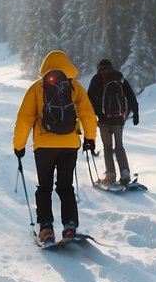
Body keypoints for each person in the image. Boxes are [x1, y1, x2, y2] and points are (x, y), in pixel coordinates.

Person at [13, 50, 98, 244]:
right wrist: (90, 139)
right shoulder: (74, 86)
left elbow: (24, 119)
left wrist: (19, 146)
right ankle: (70, 227)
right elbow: (87, 114)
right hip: (69, 145)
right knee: (66, 187)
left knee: (44, 188)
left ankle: (46, 229)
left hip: (44, 146)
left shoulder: (37, 88)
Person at [86, 58, 139, 185]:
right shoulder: (119, 78)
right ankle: (125, 174)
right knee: (119, 147)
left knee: (108, 148)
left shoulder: (96, 79)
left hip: (103, 120)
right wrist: (136, 113)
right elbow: (131, 96)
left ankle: (110, 176)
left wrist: (90, 117)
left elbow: (89, 100)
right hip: (119, 120)